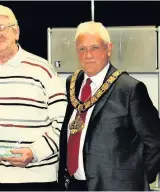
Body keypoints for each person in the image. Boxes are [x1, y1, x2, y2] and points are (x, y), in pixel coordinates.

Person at [0, 4, 67, 191]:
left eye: (2, 27)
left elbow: (63, 122)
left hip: (37, 179)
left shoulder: (43, 70)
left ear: (16, 32)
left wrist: (35, 153)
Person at [58, 21, 160, 191]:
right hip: (74, 185)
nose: (88, 55)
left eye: (95, 48)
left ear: (109, 48)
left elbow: (155, 143)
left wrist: (134, 179)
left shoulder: (129, 89)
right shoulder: (73, 84)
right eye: (82, 49)